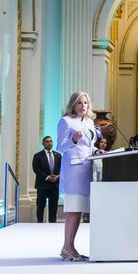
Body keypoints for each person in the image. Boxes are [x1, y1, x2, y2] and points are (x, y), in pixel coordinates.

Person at [56, 91, 101, 261]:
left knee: (79, 211)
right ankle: (67, 247)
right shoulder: (66, 121)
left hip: (86, 168)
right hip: (74, 170)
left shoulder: (89, 122)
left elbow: (89, 146)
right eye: (79, 103)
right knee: (73, 211)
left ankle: (69, 247)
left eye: (86, 103)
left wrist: (97, 150)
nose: (83, 106)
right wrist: (73, 140)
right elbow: (60, 147)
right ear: (73, 105)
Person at [32, 135, 61, 224]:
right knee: (40, 206)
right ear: (43, 144)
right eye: (47, 142)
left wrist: (58, 176)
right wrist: (47, 177)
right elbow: (36, 169)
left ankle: (52, 224)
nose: (49, 143)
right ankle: (40, 223)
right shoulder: (38, 156)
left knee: (53, 207)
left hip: (54, 185)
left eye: (51, 141)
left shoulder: (58, 155)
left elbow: (62, 168)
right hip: (42, 185)